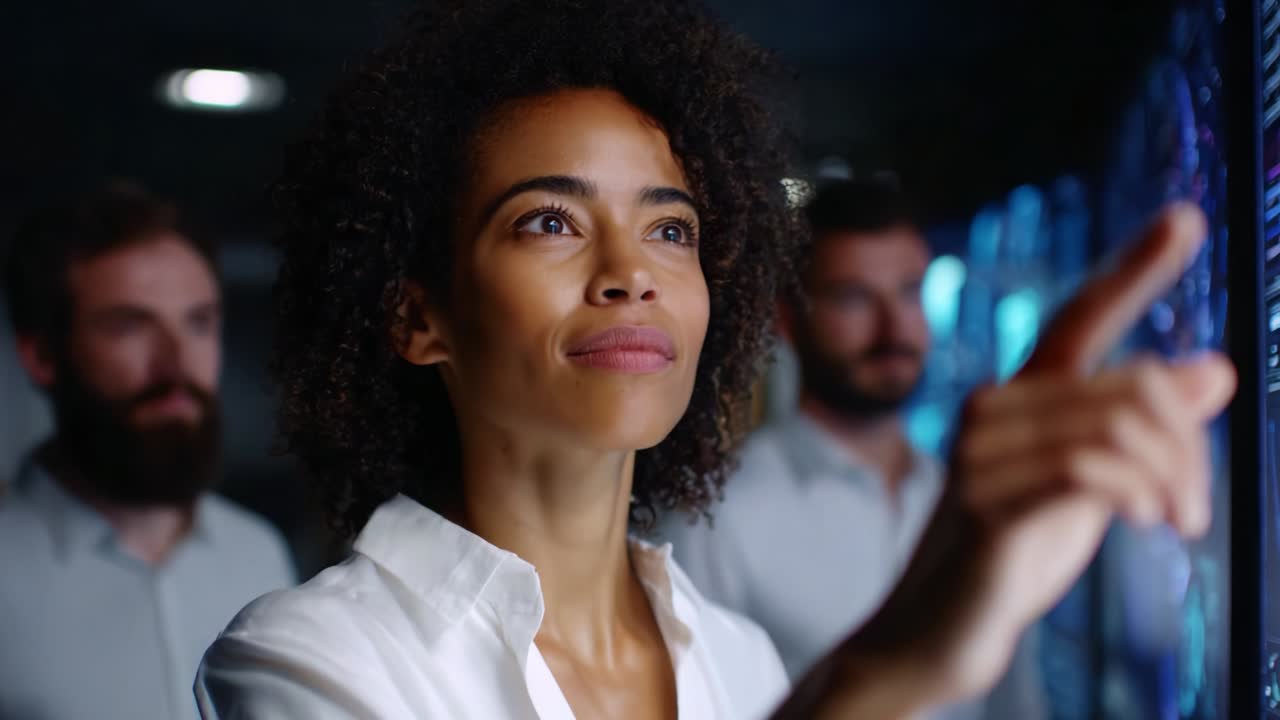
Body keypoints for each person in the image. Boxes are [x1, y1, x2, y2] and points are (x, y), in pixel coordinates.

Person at [194, 1, 1234, 718]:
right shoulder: (304, 661)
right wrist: (888, 669)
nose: (629, 273)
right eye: (548, 222)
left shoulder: (734, 656)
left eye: (671, 231)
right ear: (416, 317)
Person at [664, 178, 1046, 717]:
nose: (894, 328)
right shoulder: (718, 517)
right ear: (788, 321)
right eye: (853, 297)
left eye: (910, 291)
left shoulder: (971, 501)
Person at [0, 182, 297, 720]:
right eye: (130, 326)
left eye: (199, 322)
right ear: (42, 354)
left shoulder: (259, 552)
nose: (176, 365)